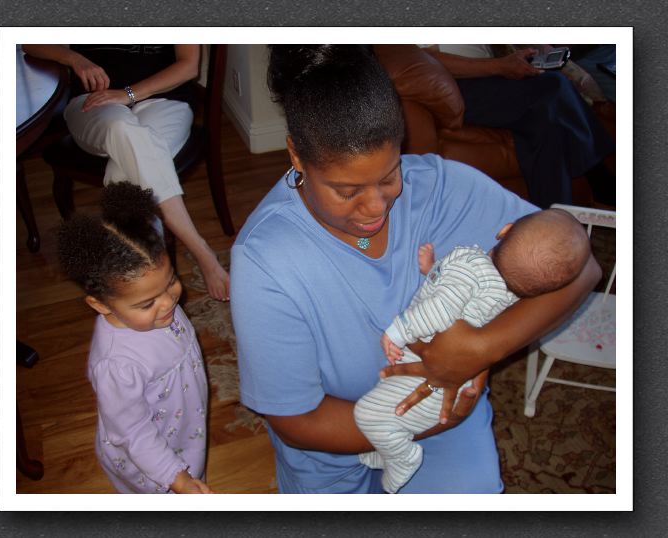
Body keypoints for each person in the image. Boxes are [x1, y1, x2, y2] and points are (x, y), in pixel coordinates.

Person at [230, 45, 600, 494]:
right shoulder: (263, 258)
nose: (375, 207)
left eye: (388, 176)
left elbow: (583, 268)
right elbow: (296, 419)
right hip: (333, 449)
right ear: (296, 156)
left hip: (442, 413)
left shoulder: (441, 186)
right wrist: (415, 429)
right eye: (346, 191)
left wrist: (480, 347)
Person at [355, 208, 591, 493]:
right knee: (387, 408)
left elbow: (439, 309)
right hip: (455, 380)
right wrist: (432, 269)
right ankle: (387, 445)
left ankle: (403, 458)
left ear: (504, 230)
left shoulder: (471, 262)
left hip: (429, 375)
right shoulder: (514, 297)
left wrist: (396, 331)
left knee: (367, 414)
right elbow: (456, 290)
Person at [22, 44, 230, 301]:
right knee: (123, 129)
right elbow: (31, 41)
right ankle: (200, 251)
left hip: (166, 100)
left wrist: (127, 94)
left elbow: (188, 66)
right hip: (93, 102)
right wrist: (75, 59)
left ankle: (141, 292)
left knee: (127, 169)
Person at [57, 181, 212, 494]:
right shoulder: (117, 364)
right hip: (149, 465)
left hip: (183, 431)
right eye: (146, 303)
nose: (168, 303)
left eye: (171, 283)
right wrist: (178, 479)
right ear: (100, 305)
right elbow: (133, 433)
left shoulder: (158, 307)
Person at [417, 44, 616, 208]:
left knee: (547, 121)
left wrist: (536, 50)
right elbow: (427, 59)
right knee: (553, 86)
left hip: (490, 74)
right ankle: (597, 174)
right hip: (454, 85)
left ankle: (553, 220)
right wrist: (499, 66)